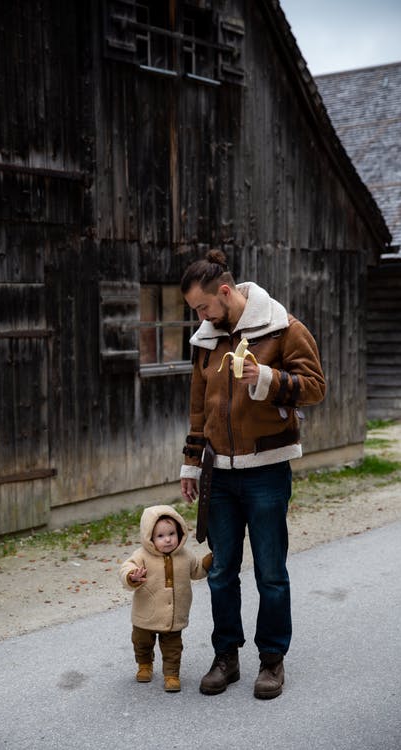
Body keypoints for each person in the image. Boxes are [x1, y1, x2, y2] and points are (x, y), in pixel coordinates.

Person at [180, 249, 326, 699]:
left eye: (203, 307)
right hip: (218, 475)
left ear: (225, 292)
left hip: (266, 471)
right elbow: (199, 406)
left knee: (270, 571)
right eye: (195, 312)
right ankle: (227, 657)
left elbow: (316, 387)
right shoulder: (207, 338)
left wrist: (265, 378)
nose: (200, 317)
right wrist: (191, 461)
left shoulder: (283, 327)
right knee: (222, 571)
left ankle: (272, 661)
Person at [119, 504, 212, 692]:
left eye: (172, 533)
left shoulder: (185, 556)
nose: (168, 539)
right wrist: (132, 576)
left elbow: (198, 571)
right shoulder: (142, 555)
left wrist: (208, 562)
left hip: (173, 616)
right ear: (150, 538)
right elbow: (125, 568)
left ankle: (171, 674)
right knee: (141, 642)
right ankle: (144, 665)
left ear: (180, 533)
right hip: (146, 614)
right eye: (160, 536)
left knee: (173, 648)